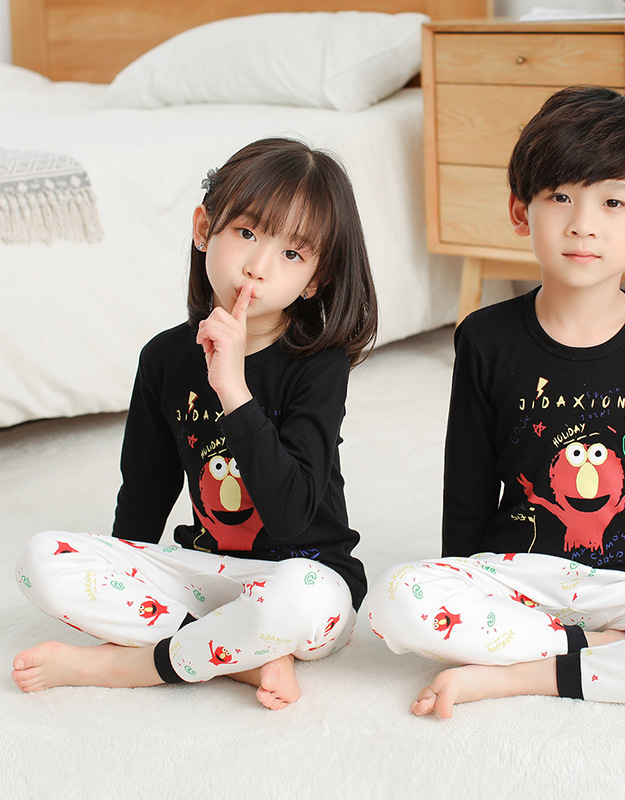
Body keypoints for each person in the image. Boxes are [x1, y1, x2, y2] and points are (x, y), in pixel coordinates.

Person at [367, 86, 625, 717]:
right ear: (520, 211)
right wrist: (462, 580)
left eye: (613, 201)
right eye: (560, 197)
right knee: (396, 597)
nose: (583, 223)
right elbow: (468, 484)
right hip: (518, 574)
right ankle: (600, 653)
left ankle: (519, 674)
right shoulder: (485, 337)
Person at [12, 138, 378, 709]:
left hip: (304, 575)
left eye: (291, 254)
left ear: (314, 280)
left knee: (302, 599)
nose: (258, 267)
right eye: (247, 233)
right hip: (205, 573)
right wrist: (128, 570)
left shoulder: (319, 365)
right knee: (41, 560)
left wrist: (232, 388)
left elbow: (290, 517)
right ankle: (241, 658)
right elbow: (143, 495)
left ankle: (131, 665)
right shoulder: (164, 358)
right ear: (204, 228)